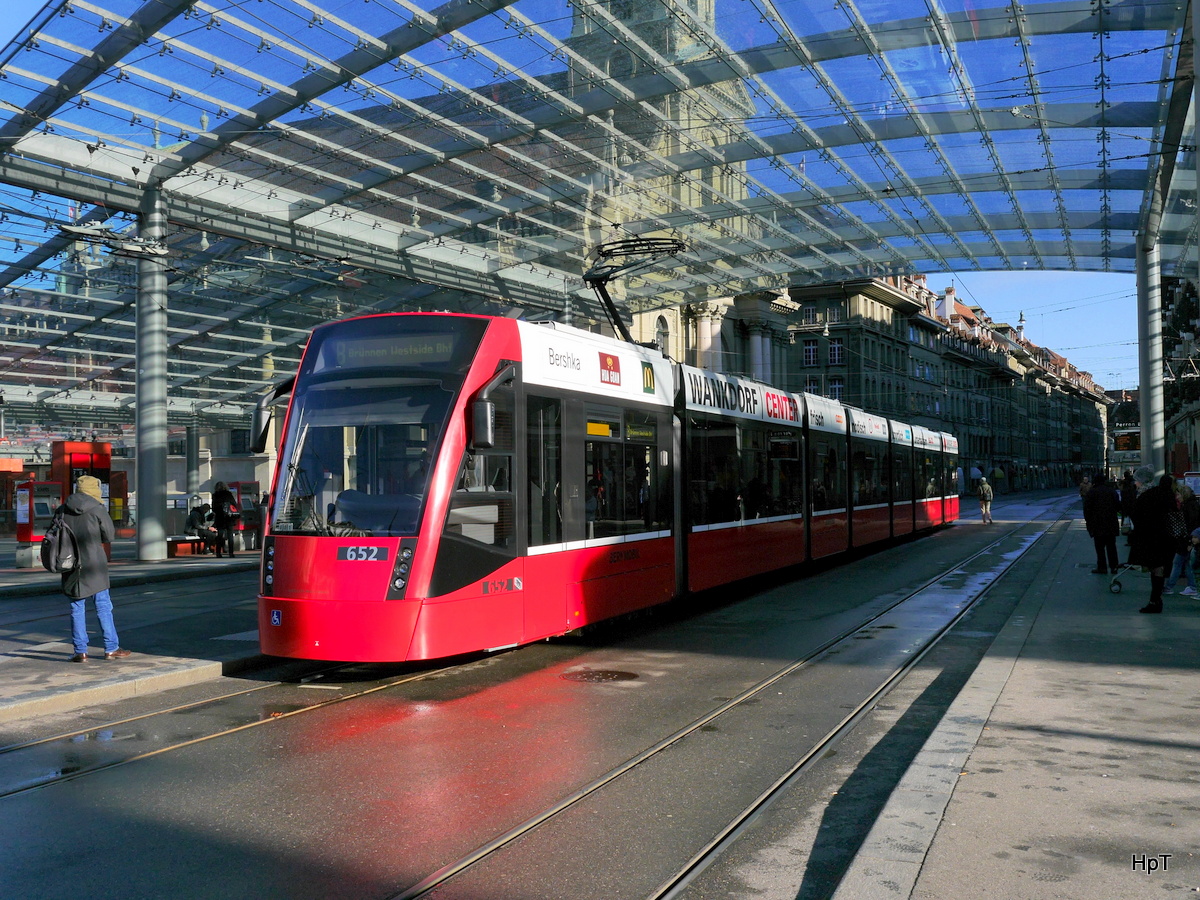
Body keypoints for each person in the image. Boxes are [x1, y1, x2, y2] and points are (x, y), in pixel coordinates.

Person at [58, 475, 130, 662]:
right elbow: (109, 535)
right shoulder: (97, 509)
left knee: (76, 607)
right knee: (103, 605)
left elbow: (54, 535)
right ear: (94, 490)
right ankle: (111, 648)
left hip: (71, 564)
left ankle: (80, 651)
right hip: (94, 564)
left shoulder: (62, 509)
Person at [1128, 469, 1176, 614]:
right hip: (1164, 538)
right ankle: (1155, 600)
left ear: (1142, 481)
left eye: (1136, 480)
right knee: (1159, 568)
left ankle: (1154, 601)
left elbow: (1137, 516)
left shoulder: (1145, 496)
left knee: (1155, 569)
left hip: (1151, 539)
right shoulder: (1161, 493)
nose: (1135, 483)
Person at [1082, 473, 1121, 574]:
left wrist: (1088, 522)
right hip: (1111, 523)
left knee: (1099, 548)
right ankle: (1114, 566)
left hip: (1097, 524)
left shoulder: (1092, 492)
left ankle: (1102, 567)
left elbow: (1087, 509)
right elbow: (1118, 506)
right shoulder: (1111, 491)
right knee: (1111, 547)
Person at [1165, 483, 1200, 596]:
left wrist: (1189, 540)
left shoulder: (1187, 507)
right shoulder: (1193, 505)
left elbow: (1189, 524)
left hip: (1186, 539)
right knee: (1186, 563)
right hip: (1189, 539)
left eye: (1178, 494)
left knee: (1178, 562)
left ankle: (1170, 586)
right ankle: (1192, 586)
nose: (1177, 496)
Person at [211, 481, 239, 558]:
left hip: (220, 517)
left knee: (220, 535)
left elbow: (214, 508)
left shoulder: (215, 495)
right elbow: (234, 505)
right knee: (230, 535)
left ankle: (218, 553)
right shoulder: (228, 494)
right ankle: (231, 553)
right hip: (229, 517)